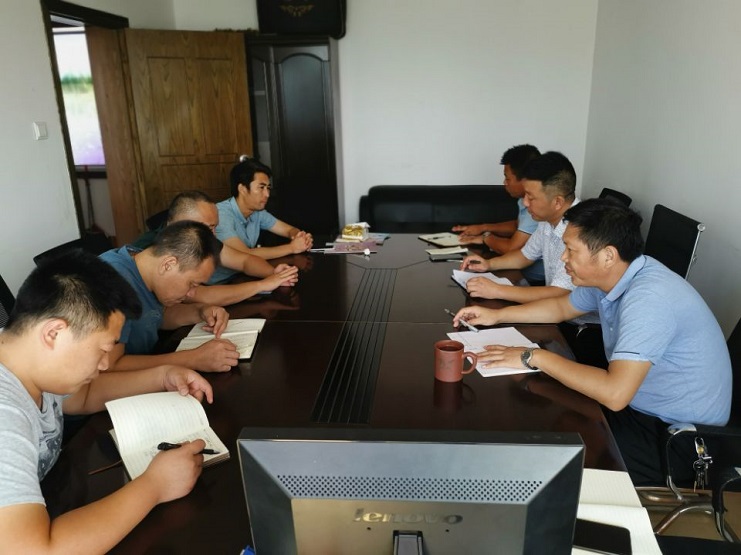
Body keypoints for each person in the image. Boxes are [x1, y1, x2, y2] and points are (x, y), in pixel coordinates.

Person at [453, 198, 732, 485]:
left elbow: (615, 393)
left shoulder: (649, 298)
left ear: (607, 255)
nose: (563, 258)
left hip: (678, 439)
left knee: (551, 460)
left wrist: (533, 356)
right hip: (639, 409)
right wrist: (495, 316)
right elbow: (561, 308)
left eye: (571, 250)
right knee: (541, 411)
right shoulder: (619, 274)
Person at [0, 251, 214, 553]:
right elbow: (33, 551)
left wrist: (163, 376)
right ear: (54, 333)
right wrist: (155, 486)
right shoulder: (5, 413)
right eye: (103, 349)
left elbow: (84, 397)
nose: (105, 364)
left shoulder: (27, 359)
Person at [459, 151, 605, 367]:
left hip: (583, 331)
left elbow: (560, 294)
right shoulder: (548, 219)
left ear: (557, 201)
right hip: (558, 315)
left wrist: (497, 291)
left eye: (531, 197)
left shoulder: (581, 230)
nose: (525, 203)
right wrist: (489, 264)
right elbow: (524, 256)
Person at [100, 220, 240, 373]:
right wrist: (192, 359)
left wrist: (200, 311)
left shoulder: (143, 263)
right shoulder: (112, 283)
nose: (192, 293)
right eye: (192, 284)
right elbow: (110, 367)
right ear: (168, 264)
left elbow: (156, 315)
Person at [133, 191, 299, 305]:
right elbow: (198, 295)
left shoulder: (202, 239)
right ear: (175, 223)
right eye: (206, 227)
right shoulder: (150, 250)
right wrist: (262, 285)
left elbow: (244, 261)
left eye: (215, 227)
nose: (213, 234)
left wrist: (274, 273)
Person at [453, 144, 544, 283]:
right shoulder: (526, 201)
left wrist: (486, 237)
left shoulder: (538, 208)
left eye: (507, 178)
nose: (504, 183)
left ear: (525, 179)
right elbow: (518, 227)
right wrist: (484, 228)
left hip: (534, 278)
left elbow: (512, 249)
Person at [213, 158, 313, 280]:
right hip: (220, 283)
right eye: (261, 187)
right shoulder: (221, 214)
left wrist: (300, 237)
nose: (267, 194)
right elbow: (244, 254)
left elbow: (288, 230)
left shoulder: (257, 212)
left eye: (268, 188)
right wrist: (292, 248)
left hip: (244, 275)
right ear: (242, 189)